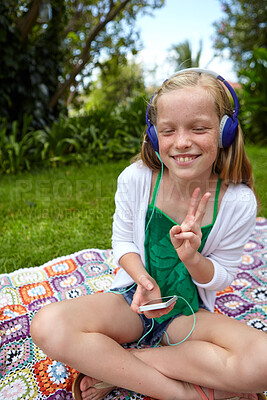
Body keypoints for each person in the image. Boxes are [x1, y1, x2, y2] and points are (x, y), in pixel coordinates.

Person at [30, 68, 267, 400]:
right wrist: (143, 280)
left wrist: (192, 258)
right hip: (133, 303)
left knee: (263, 363)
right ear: (155, 137)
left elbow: (221, 278)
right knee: (47, 325)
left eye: (199, 128)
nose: (182, 142)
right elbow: (123, 241)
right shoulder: (136, 179)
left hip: (189, 314)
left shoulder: (238, 201)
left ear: (225, 133)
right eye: (168, 131)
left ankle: (125, 365)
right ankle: (186, 395)